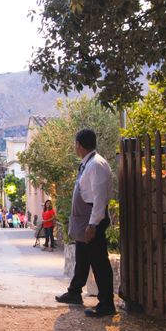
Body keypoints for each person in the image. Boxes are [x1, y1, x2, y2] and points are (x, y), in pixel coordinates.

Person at [55, 129, 116, 317]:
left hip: (92, 219)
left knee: (99, 261)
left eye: (75, 144)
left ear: (79, 145)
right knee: (82, 258)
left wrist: (92, 224)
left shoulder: (95, 165)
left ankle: (106, 303)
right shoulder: (88, 163)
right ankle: (75, 292)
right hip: (86, 218)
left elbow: (99, 198)